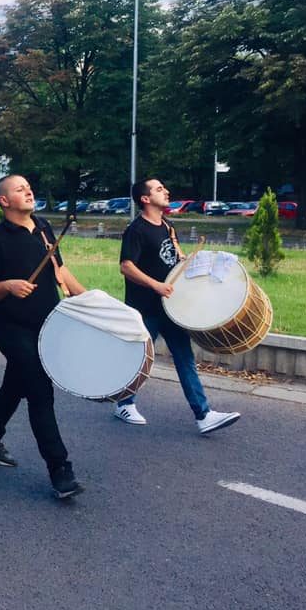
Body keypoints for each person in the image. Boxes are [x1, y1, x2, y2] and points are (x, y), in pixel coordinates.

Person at [0, 174, 88, 499]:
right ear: (4, 201)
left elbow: (59, 272)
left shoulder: (44, 227)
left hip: (47, 324)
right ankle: (60, 470)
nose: (28, 191)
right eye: (19, 189)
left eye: (28, 187)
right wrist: (7, 286)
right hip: (11, 327)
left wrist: (91, 300)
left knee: (15, 384)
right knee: (39, 390)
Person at [113, 179, 241, 435]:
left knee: (185, 359)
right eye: (159, 189)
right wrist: (156, 285)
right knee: (137, 360)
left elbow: (176, 259)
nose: (167, 191)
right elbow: (126, 266)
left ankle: (204, 415)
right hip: (145, 308)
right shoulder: (136, 230)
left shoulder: (168, 227)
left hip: (171, 309)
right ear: (145, 199)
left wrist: (195, 262)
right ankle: (123, 403)